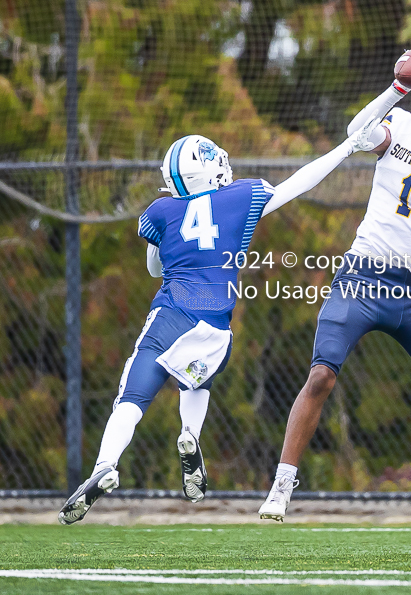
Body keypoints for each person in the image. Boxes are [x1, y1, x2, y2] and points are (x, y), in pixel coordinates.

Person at [58, 118, 382, 525]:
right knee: (197, 379)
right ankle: (190, 434)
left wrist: (169, 236)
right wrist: (346, 148)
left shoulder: (161, 210)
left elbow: (154, 269)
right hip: (217, 324)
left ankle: (105, 465)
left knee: (132, 397)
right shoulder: (240, 197)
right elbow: (299, 182)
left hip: (173, 312)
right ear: (211, 169)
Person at [258, 46, 411, 521]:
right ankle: (282, 484)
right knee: (322, 374)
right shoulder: (403, 125)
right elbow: (357, 133)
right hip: (361, 277)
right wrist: (399, 89)